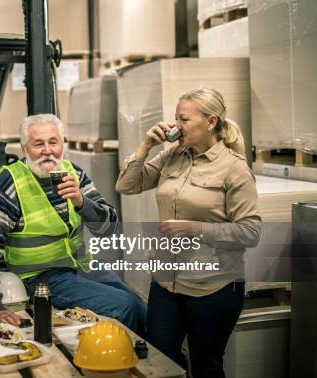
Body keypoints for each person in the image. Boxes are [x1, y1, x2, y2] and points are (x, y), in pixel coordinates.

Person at [116, 87, 261, 377]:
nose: (175, 126)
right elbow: (127, 186)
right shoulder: (173, 155)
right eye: (175, 119)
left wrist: (196, 229)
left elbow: (250, 232)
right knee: (159, 361)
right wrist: (145, 146)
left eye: (184, 119)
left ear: (210, 122)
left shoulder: (234, 169)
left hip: (212, 287)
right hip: (166, 283)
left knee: (206, 365)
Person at [0, 113, 146, 334]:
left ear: (62, 145)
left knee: (140, 306)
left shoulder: (74, 174)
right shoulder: (10, 184)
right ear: (25, 149)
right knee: (124, 306)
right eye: (38, 144)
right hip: (40, 277)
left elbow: (109, 229)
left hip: (81, 266)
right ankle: (122, 362)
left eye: (53, 142)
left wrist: (81, 202)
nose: (47, 150)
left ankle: (164, 366)